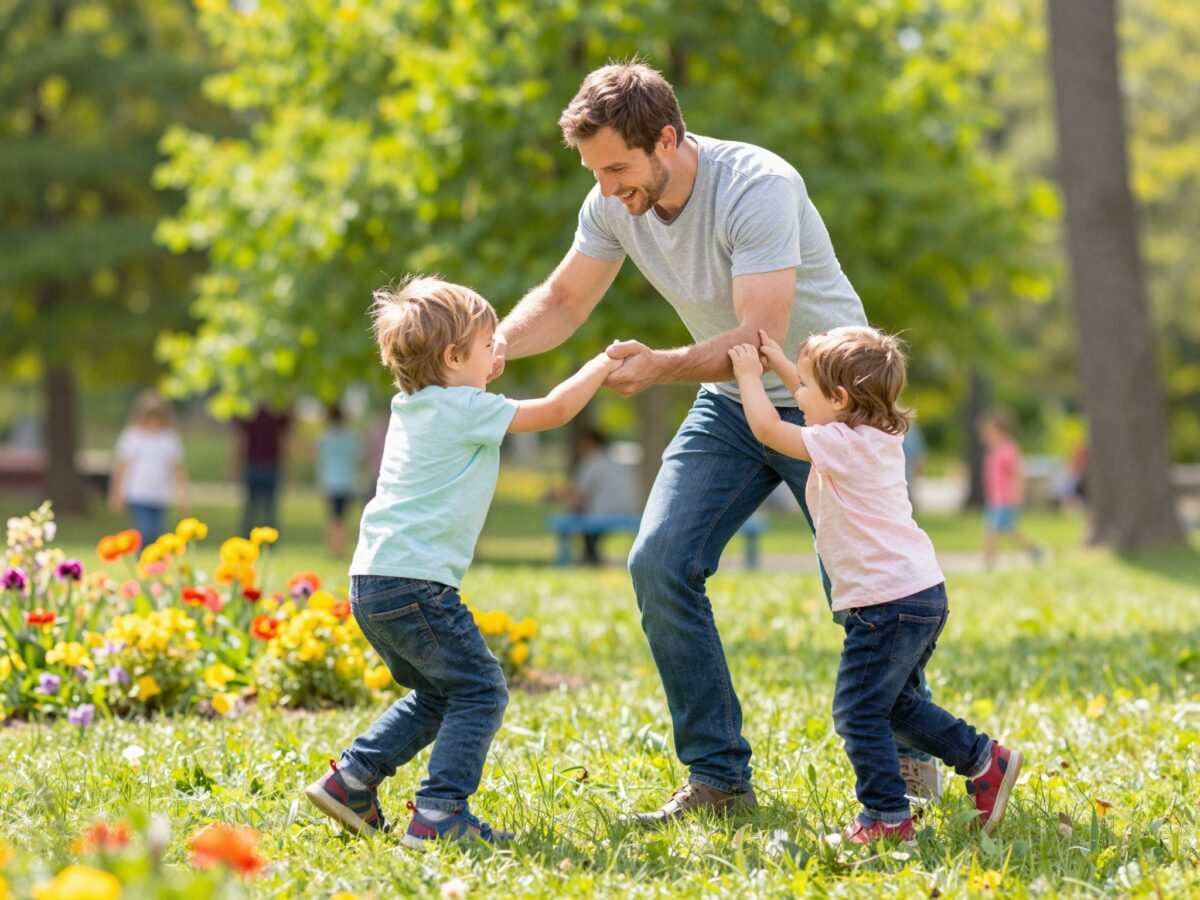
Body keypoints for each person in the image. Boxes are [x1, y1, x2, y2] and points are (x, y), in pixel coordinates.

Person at [489, 60, 940, 820]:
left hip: (825, 400)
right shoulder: (609, 204)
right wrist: (491, 350)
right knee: (659, 563)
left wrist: (661, 365)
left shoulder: (756, 185)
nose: (605, 189)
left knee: (867, 587)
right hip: (730, 406)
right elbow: (566, 299)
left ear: (667, 138)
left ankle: (906, 763)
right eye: (594, 171)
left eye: (618, 169)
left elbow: (755, 337)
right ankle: (718, 780)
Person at [304, 276, 621, 848]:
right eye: (487, 345)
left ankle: (352, 781)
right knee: (482, 690)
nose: (496, 354)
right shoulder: (464, 408)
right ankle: (440, 813)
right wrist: (601, 363)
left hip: (373, 580)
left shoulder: (414, 406)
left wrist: (482, 362)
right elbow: (553, 411)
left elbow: (471, 385)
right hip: (417, 586)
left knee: (440, 694)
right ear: (453, 357)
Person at [730, 327, 1022, 843]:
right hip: (919, 595)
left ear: (840, 400)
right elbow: (817, 395)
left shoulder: (838, 444)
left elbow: (767, 428)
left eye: (806, 390)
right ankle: (984, 760)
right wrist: (780, 362)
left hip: (885, 606)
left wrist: (749, 376)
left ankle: (886, 817)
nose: (798, 397)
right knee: (894, 705)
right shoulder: (877, 436)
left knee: (858, 712)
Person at [547, 426, 639, 565]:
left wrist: (556, 497)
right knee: (585, 514)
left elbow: (579, 496)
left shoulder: (592, 461)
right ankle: (590, 555)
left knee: (579, 515)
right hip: (628, 510)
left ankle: (589, 557)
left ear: (590, 443)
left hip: (603, 513)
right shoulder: (617, 462)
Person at [108, 389, 189, 543]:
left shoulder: (169, 438)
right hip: (138, 493)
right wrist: (116, 493)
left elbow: (177, 468)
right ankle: (142, 562)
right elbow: (121, 466)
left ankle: (154, 565)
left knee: (157, 534)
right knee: (144, 531)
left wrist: (183, 494)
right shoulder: (133, 436)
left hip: (160, 494)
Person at [978, 410, 1044, 568]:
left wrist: (1016, 494)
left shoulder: (1007, 449)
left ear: (1000, 431)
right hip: (995, 498)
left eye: (989, 430)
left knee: (991, 529)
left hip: (1004, 498)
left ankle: (990, 561)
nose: (985, 434)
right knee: (1008, 530)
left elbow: (1018, 472)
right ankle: (1033, 549)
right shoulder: (995, 449)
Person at [235, 405, 290, 535]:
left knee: (257, 507)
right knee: (266, 508)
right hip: (265, 465)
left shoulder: (249, 411)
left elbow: (240, 440)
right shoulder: (277, 410)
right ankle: (265, 540)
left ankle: (252, 538)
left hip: (260, 465)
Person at [316, 403, 360, 557]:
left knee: (333, 518)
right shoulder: (349, 436)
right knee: (343, 518)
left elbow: (321, 459)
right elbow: (356, 457)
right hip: (347, 482)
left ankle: (333, 548)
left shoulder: (326, 437)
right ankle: (342, 548)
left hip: (331, 482)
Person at [901, 418, 927, 510]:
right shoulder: (911, 428)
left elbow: (918, 454)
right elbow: (919, 454)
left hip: (905, 470)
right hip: (906, 471)